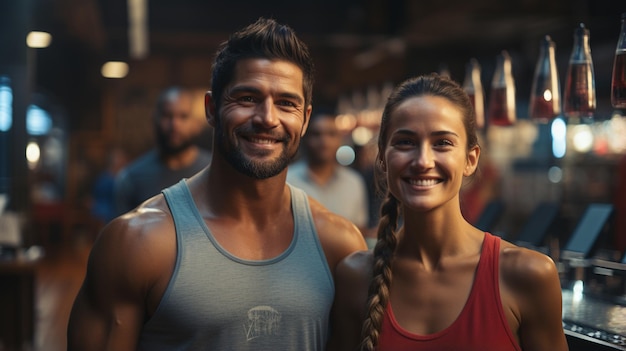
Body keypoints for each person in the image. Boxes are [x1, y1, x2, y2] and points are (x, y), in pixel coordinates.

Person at [67, 17, 366, 351]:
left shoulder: (339, 244)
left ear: (305, 119)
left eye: (286, 103)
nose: (267, 118)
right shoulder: (137, 242)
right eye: (248, 98)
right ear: (212, 109)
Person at [327, 74, 568, 351]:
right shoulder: (355, 276)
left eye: (442, 143)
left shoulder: (528, 274)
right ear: (382, 157)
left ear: (470, 159)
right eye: (405, 142)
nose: (422, 161)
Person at [113, 86, 212, 216]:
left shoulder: (214, 170)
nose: (174, 125)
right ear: (155, 119)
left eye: (183, 116)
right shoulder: (131, 178)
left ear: (196, 123)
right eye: (167, 115)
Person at [287, 111, 369, 233]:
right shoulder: (287, 180)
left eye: (331, 134)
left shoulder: (353, 182)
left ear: (340, 139)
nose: (324, 141)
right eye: (316, 134)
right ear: (305, 138)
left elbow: (360, 230)